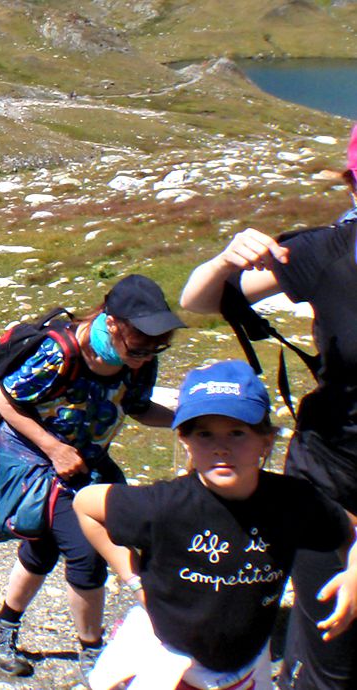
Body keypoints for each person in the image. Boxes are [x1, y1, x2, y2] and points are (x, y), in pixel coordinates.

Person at [75, 360, 357, 690]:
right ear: (185, 441)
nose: (221, 448)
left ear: (266, 440)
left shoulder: (293, 501)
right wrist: (132, 577)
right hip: (168, 661)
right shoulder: (166, 505)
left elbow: (348, 529)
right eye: (205, 434)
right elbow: (85, 505)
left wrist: (353, 573)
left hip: (246, 663)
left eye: (237, 433)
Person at [180, 221, 357, 689]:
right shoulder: (331, 249)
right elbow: (200, 300)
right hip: (330, 478)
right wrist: (225, 260)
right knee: (329, 658)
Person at [0, 274, 182, 682]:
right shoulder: (59, 353)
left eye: (157, 347)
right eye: (141, 346)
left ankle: (2, 625)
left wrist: (189, 421)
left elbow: (139, 407)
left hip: (87, 460)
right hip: (36, 457)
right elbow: (5, 399)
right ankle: (94, 653)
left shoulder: (139, 359)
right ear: (112, 324)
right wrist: (54, 450)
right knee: (89, 553)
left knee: (42, 548)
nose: (147, 356)